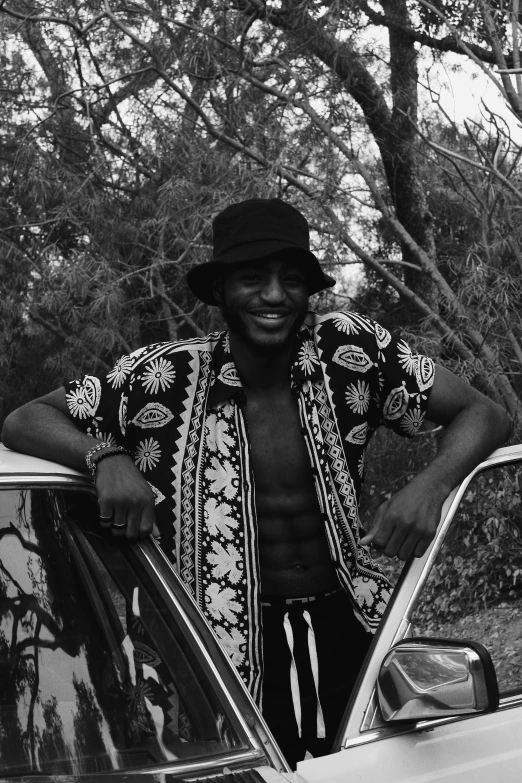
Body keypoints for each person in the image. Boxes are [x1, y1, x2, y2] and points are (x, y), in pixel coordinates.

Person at [1, 198, 511, 767]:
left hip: (353, 621)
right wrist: (105, 456)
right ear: (219, 290)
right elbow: (26, 420)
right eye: (252, 279)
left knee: (372, 768)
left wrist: (431, 485)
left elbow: (484, 414)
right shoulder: (159, 379)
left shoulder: (350, 352)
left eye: (290, 280)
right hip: (215, 650)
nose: (273, 295)